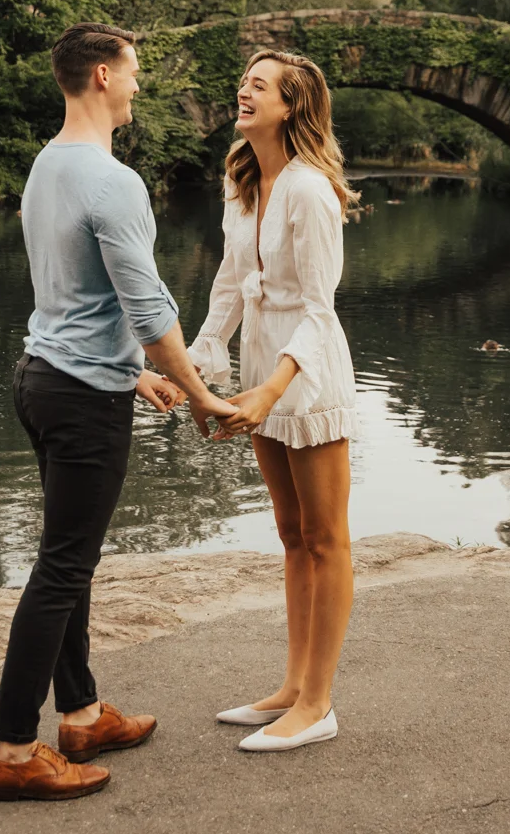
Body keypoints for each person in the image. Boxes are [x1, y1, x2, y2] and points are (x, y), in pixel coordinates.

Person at [0, 23, 239, 803]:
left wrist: (132, 375)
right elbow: (149, 309)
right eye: (132, 72)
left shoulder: (46, 165)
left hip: (44, 377)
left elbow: (73, 299)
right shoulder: (112, 182)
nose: (137, 84)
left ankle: (83, 715)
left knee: (70, 557)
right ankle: (11, 749)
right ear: (101, 75)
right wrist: (200, 392)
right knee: (63, 567)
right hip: (80, 398)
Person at [188, 50, 360, 753]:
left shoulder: (312, 190)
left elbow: (320, 310)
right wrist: (198, 364)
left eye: (259, 85)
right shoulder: (244, 184)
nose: (244, 90)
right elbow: (231, 286)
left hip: (305, 377)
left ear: (292, 106)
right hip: (262, 366)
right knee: (291, 534)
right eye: (244, 81)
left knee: (326, 537)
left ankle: (319, 703)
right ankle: (291, 687)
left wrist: (272, 388)